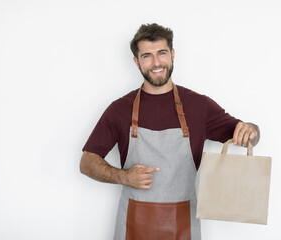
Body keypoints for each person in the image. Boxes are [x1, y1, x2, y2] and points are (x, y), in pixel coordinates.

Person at [80, 23, 260, 240]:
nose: (156, 62)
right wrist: (124, 177)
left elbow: (245, 135)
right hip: (133, 226)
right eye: (147, 56)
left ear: (172, 55)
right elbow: (87, 162)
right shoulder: (120, 109)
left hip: (183, 224)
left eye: (162, 53)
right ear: (136, 62)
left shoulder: (199, 106)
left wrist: (252, 130)